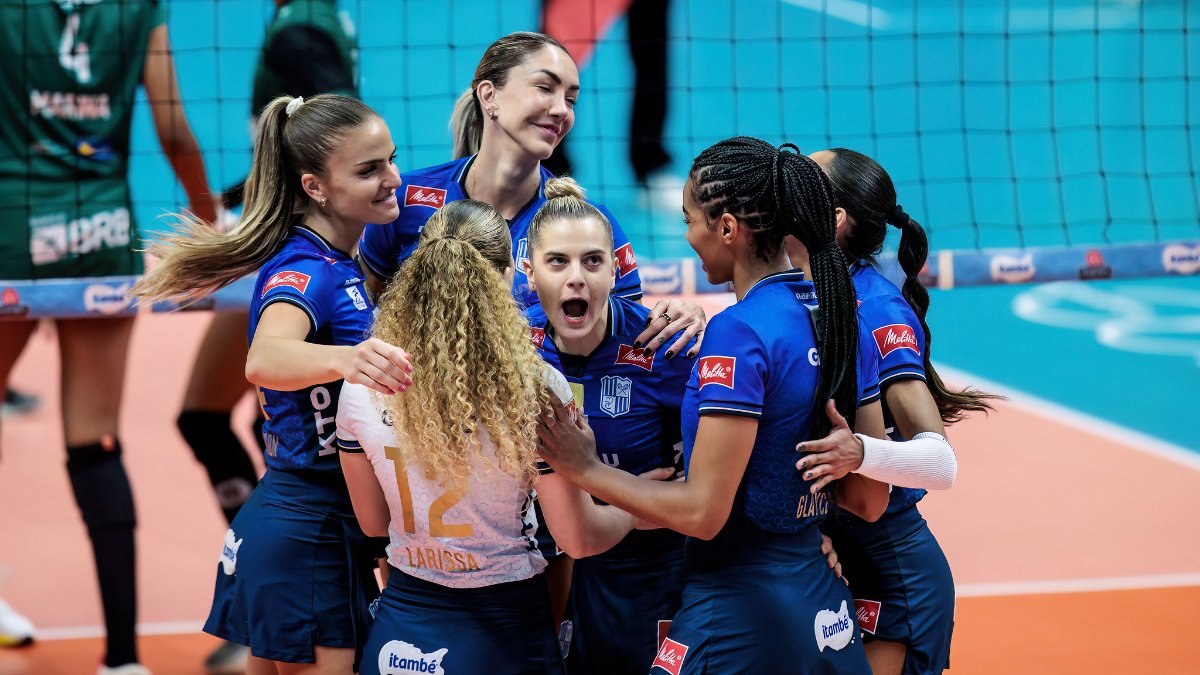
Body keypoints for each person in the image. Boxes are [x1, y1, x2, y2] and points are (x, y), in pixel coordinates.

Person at [356, 30, 706, 623]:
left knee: (539, 639)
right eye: (544, 87)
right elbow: (363, 314)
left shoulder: (581, 224)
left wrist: (681, 315)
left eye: (571, 96)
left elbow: (621, 340)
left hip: (536, 476)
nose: (561, 109)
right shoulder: (409, 201)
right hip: (426, 465)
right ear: (489, 97)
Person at [536, 137, 890, 673]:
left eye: (690, 219)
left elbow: (703, 514)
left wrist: (582, 468)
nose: (687, 236)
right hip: (820, 606)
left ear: (726, 229)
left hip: (737, 613)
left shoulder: (737, 332)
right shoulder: (844, 318)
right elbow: (868, 500)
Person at [133, 93, 412, 675]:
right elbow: (264, 357)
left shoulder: (338, 262)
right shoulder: (306, 269)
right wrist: (350, 359)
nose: (393, 179)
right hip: (309, 529)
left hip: (311, 524)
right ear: (315, 187)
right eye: (369, 170)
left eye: (390, 159)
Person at [337, 199, 659, 675]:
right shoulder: (535, 386)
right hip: (507, 630)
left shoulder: (364, 382)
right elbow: (579, 539)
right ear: (509, 276)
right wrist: (636, 510)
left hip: (405, 624)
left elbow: (372, 523)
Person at [0, 2, 215, 672]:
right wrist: (209, 227)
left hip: (11, 221)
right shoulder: (136, 5)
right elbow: (174, 128)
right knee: (95, 437)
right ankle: (122, 658)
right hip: (98, 230)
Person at [174, 10, 362, 671]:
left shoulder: (303, 27)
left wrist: (237, 212)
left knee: (263, 413)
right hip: (288, 244)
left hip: (296, 251)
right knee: (218, 415)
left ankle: (285, 581)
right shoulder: (315, 17)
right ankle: (272, 582)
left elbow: (331, 144)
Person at [794, 148, 997, 675]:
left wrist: (858, 451)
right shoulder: (802, 291)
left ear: (834, 220)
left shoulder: (877, 308)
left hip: (892, 572)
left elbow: (939, 460)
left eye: (806, 179)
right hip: (835, 555)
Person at [522, 177, 693, 672]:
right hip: (547, 569)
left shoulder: (665, 347)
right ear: (529, 274)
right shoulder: (512, 345)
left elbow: (710, 490)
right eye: (558, 262)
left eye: (592, 261)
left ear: (616, 272)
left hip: (651, 573)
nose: (577, 278)